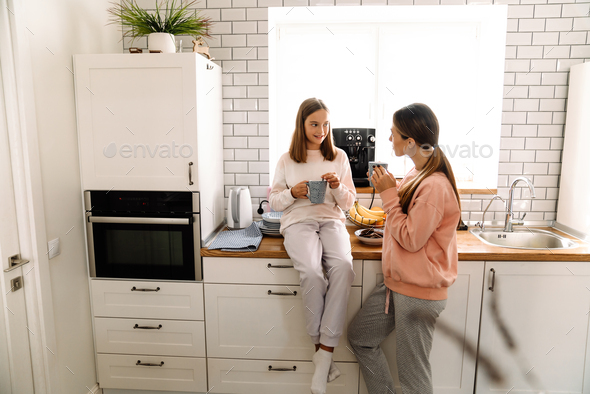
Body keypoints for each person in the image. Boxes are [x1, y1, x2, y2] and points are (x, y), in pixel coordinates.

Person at [347, 103, 461, 394]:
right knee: (360, 337)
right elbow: (404, 220)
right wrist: (390, 192)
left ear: (410, 142)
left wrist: (387, 194)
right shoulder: (416, 173)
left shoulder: (435, 185)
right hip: (398, 285)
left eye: (393, 134)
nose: (389, 139)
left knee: (413, 377)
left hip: (419, 293)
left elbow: (411, 238)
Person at [269, 98, 356, 394]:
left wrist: (336, 187)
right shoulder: (287, 159)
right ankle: (322, 352)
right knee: (312, 272)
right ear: (302, 124)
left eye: (325, 124)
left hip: (331, 220)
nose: (321, 130)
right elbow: (274, 203)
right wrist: (292, 193)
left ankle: (324, 355)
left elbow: (349, 203)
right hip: (298, 221)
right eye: (314, 124)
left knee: (344, 267)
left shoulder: (339, 156)